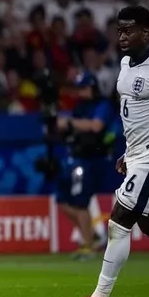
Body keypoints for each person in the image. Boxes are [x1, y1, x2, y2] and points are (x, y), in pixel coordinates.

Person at [69, 6, 149, 297]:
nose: (121, 36)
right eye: (119, 30)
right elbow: (136, 114)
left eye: (128, 30)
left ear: (145, 32)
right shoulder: (124, 63)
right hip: (137, 153)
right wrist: (129, 151)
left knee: (119, 219)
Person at [55, 71, 114, 260]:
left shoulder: (102, 104)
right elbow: (73, 128)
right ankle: (93, 235)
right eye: (79, 88)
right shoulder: (80, 107)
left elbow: (96, 126)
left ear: (93, 88)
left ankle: (87, 245)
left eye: (84, 88)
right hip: (76, 157)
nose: (81, 92)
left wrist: (70, 122)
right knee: (62, 201)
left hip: (93, 159)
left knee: (81, 201)